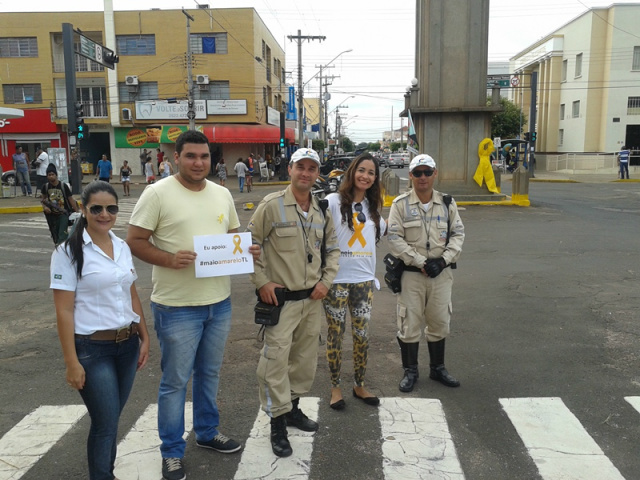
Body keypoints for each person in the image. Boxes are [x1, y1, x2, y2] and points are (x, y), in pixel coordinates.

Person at [127, 130, 260, 480]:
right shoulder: (156, 193)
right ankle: (171, 451)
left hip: (219, 303)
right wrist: (169, 259)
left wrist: (245, 250)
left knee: (209, 374)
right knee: (175, 382)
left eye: (204, 156)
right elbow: (135, 240)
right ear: (176, 158)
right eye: (191, 156)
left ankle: (206, 432)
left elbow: (232, 236)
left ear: (212, 159)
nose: (199, 163)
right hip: (177, 306)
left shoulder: (221, 193)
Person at [50, 180, 150, 480]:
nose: (104, 214)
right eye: (96, 208)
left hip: (127, 345)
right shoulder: (67, 252)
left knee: (111, 419)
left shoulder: (120, 247)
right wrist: (71, 362)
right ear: (83, 209)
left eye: (111, 208)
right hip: (92, 350)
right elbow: (64, 311)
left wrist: (144, 335)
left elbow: (131, 294)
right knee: (105, 423)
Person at [248, 148, 340, 458]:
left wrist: (326, 282)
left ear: (317, 174)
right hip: (281, 301)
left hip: (312, 300)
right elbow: (250, 246)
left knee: (303, 361)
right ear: (290, 169)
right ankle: (277, 423)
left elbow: (333, 250)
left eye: (312, 168)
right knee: (275, 361)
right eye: (301, 166)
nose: (306, 173)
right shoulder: (271, 206)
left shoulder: (320, 209)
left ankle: (293, 409)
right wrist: (261, 282)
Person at [387, 154, 464, 393]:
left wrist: (443, 261)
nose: (422, 177)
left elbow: (458, 235)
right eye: (417, 173)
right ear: (410, 175)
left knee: (439, 321)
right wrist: (420, 261)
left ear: (435, 174)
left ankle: (437, 368)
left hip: (441, 275)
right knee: (409, 322)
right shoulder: (399, 204)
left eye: (427, 172)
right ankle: (410, 370)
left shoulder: (448, 203)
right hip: (411, 275)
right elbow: (394, 239)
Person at [323, 153, 386, 411]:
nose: (365, 176)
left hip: (363, 283)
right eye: (361, 170)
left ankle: (359, 384)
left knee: (362, 336)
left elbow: (381, 233)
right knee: (335, 335)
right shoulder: (333, 202)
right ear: (352, 172)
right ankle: (335, 387)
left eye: (371, 173)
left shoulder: (373, 209)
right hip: (336, 281)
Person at [41, 163, 79, 245]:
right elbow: (43, 199)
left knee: (62, 235)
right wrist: (45, 207)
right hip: (52, 216)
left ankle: (63, 249)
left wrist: (77, 213)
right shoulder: (46, 187)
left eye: (52, 174)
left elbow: (71, 199)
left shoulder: (63, 186)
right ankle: (61, 249)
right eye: (49, 175)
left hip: (63, 214)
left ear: (56, 175)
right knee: (56, 236)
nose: (51, 176)